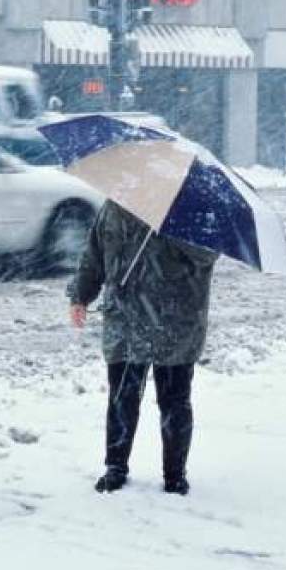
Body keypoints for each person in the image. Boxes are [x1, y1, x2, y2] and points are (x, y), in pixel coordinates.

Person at [69, 200, 218, 495]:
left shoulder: (193, 210)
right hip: (125, 321)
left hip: (176, 321)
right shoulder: (113, 208)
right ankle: (115, 467)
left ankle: (175, 475)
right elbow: (94, 255)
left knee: (174, 401)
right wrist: (80, 295)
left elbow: (207, 254)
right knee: (121, 398)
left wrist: (171, 226)